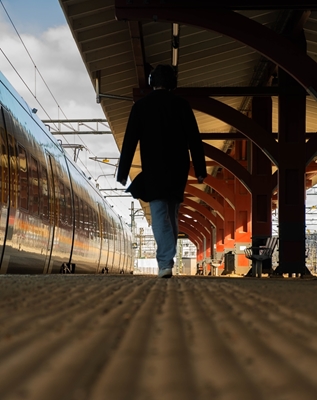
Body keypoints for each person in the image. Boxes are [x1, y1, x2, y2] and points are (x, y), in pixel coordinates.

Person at [117, 64, 207, 278]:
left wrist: (123, 172)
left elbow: (129, 141)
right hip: (178, 167)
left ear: (152, 82)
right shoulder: (182, 105)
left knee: (159, 213)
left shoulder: (141, 106)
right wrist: (200, 169)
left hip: (154, 167)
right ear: (172, 84)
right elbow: (195, 139)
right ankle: (167, 260)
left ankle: (165, 262)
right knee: (172, 212)